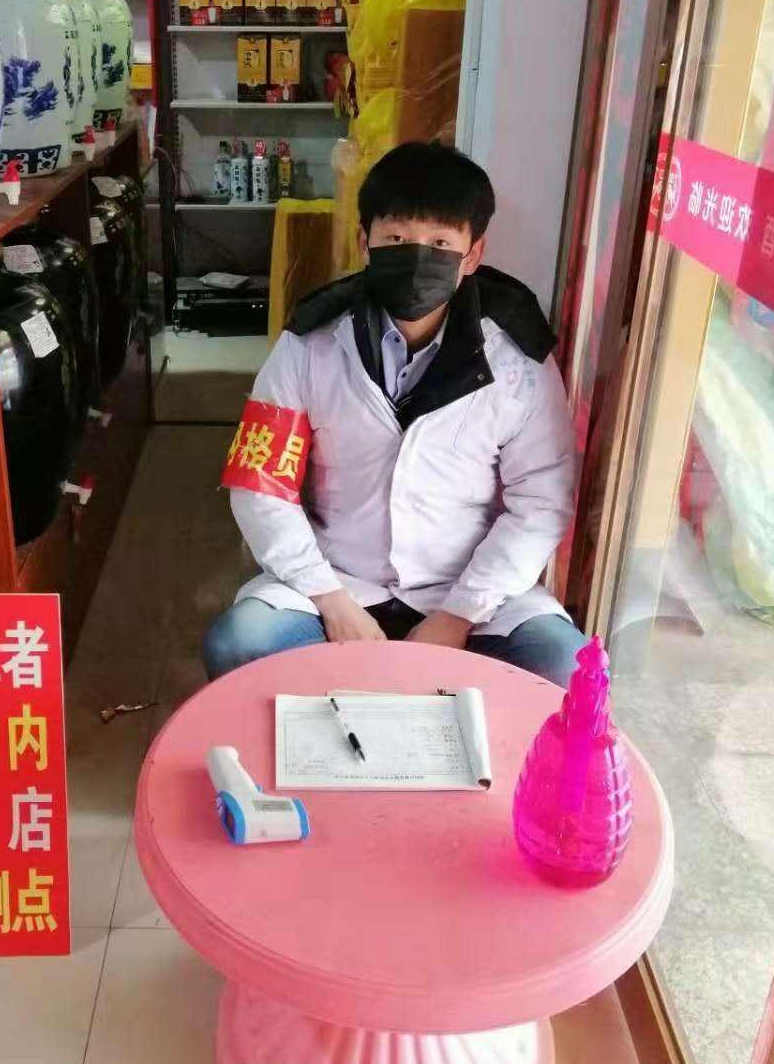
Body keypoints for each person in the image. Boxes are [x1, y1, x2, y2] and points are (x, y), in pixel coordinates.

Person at [203, 140, 585, 687]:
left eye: (440, 242)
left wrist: (458, 616)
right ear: (366, 242)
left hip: (469, 595)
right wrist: (331, 600)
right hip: (337, 583)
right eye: (398, 239)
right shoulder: (309, 342)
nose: (418, 258)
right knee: (240, 644)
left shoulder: (518, 361)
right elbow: (260, 485)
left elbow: (542, 501)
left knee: (563, 666)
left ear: (472, 255)